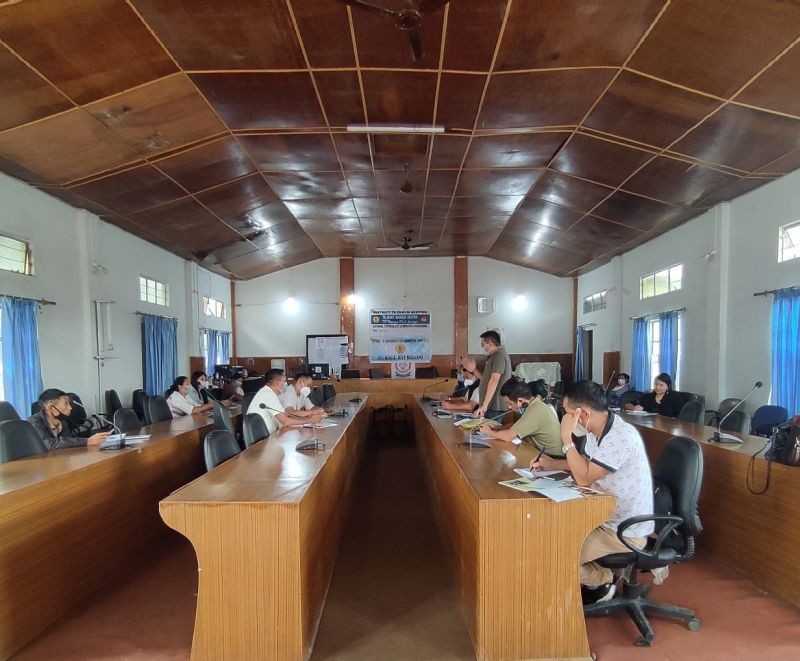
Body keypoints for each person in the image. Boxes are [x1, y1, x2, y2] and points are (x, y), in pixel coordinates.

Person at [531, 380, 654, 604]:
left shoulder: (620, 437)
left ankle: (602, 579)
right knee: (545, 537)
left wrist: (567, 439)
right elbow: (587, 464)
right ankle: (601, 576)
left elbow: (584, 478)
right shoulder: (596, 429)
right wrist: (550, 465)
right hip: (600, 515)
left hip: (622, 529)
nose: (565, 419)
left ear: (583, 414)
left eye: (568, 414)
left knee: (554, 556)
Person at [478, 378, 564, 456]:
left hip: (552, 458)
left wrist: (488, 432)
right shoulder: (534, 405)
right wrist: (498, 428)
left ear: (520, 401)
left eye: (509, 403)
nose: (509, 407)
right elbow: (517, 426)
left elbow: (508, 436)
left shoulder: (535, 410)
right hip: (540, 454)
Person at [28, 389, 110, 450]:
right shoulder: (34, 422)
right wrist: (87, 441)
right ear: (50, 408)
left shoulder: (63, 421)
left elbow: (69, 442)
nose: (70, 408)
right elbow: (49, 444)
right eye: (66, 404)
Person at [251, 369, 323, 434]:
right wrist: (309, 420)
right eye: (284, 382)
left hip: (271, 434)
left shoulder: (269, 393)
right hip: (265, 439)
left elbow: (287, 416)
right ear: (276, 383)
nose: (286, 384)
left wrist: (308, 418)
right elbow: (286, 422)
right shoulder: (268, 395)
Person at [474, 330, 512, 421]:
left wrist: (485, 405)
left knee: (489, 433)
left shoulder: (499, 356)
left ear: (490, 343)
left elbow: (494, 380)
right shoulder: (493, 356)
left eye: (483, 345)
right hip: (491, 405)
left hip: (495, 405)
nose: (483, 347)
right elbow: (486, 380)